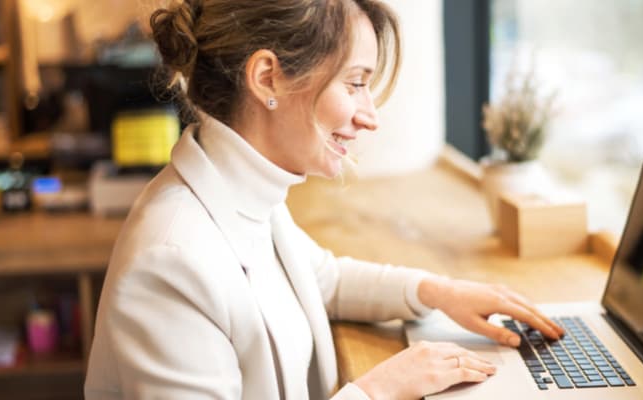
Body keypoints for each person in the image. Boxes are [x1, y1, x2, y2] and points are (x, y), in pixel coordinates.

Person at [84, 1, 565, 399]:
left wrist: (438, 293)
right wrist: (378, 390)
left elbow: (322, 279)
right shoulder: (171, 264)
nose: (369, 116)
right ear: (267, 78)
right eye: (355, 83)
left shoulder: (245, 191)